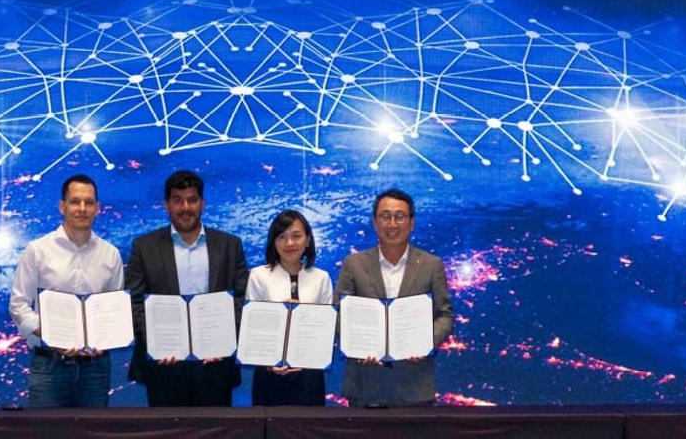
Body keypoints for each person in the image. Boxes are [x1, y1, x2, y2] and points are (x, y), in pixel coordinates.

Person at [126, 170, 249, 406]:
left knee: (216, 427)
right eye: (177, 200)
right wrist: (157, 343)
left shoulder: (229, 245)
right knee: (167, 426)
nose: (185, 207)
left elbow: (242, 299)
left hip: (215, 364)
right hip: (164, 366)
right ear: (166, 205)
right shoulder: (144, 247)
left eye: (192, 200)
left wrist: (222, 341)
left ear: (202, 203)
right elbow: (134, 301)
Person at [8, 173, 124, 407]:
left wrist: (106, 337)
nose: (82, 208)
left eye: (88, 202)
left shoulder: (111, 254)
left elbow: (115, 310)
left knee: (94, 427)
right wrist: (52, 334)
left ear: (97, 208)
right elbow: (18, 306)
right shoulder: (38, 250)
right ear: (62, 207)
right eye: (75, 202)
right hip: (50, 366)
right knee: (48, 427)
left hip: (95, 369)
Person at [335, 188, 453, 407]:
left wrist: (426, 341)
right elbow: (339, 313)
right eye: (385, 216)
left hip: (415, 384)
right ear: (374, 222)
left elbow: (444, 315)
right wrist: (356, 345)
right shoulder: (354, 264)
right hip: (364, 383)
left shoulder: (431, 265)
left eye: (399, 217)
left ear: (411, 223)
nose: (392, 224)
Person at [246, 209, 332, 406]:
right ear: (273, 242)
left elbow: (325, 332)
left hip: (309, 375)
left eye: (296, 236)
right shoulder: (258, 276)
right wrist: (269, 364)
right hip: (269, 374)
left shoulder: (321, 278)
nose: (289, 243)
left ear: (308, 240)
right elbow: (253, 329)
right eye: (282, 237)